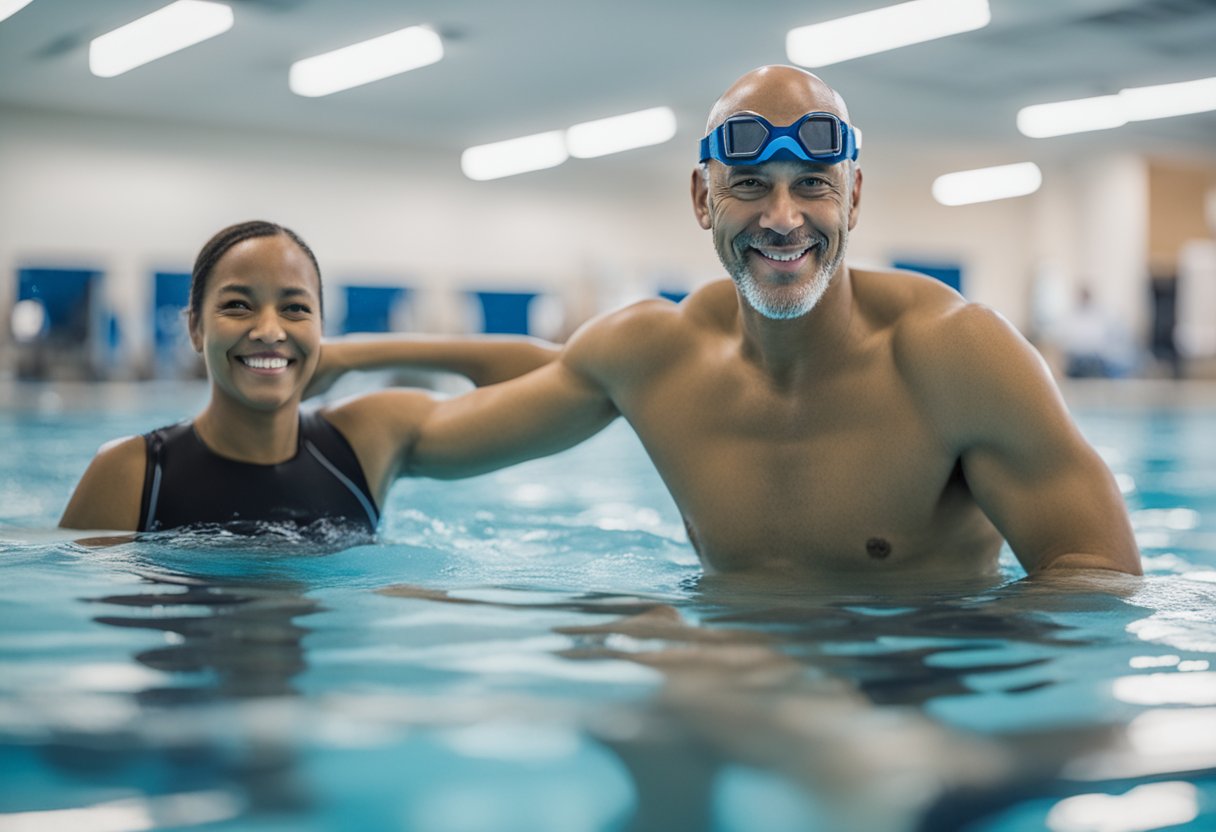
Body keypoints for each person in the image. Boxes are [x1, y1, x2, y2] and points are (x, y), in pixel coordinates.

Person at [402, 65, 1141, 578]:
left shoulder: (957, 354)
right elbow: (432, 433)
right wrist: (326, 363)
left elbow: (1096, 575)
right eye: (750, 186)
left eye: (812, 187)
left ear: (851, 201)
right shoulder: (659, 354)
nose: (782, 219)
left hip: (913, 680)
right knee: (623, 641)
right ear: (702, 200)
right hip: (731, 674)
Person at [59, 220, 558, 534]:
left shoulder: (365, 440)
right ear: (195, 327)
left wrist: (354, 354)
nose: (269, 330)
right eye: (238, 305)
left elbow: (559, 373)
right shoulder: (133, 472)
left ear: (322, 328)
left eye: (296, 309)